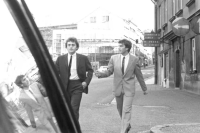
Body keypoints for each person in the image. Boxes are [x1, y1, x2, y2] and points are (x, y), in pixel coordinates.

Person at [95, 39, 148, 133]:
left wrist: (144, 88)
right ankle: (127, 124)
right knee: (120, 109)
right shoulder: (113, 58)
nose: (118, 48)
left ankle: (123, 130)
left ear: (127, 48)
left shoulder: (134, 59)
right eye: (118, 46)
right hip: (118, 88)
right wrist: (101, 74)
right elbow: (109, 71)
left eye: (121, 46)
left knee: (126, 109)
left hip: (129, 89)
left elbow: (139, 75)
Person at [55, 37, 93, 121]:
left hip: (77, 86)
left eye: (73, 45)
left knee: (73, 108)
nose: (71, 47)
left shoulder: (83, 58)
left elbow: (90, 71)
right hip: (64, 86)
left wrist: (86, 82)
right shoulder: (60, 59)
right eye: (69, 45)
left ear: (77, 47)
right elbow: (55, 73)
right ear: (66, 47)